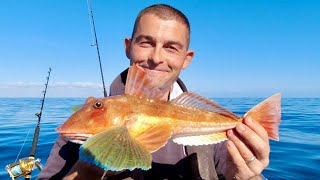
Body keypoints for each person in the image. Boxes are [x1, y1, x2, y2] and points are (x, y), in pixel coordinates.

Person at [38, 4, 270, 180]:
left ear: (186, 59)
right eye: (146, 43)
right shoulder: (79, 132)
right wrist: (87, 168)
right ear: (128, 47)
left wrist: (246, 176)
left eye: (171, 47)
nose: (156, 58)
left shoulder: (220, 137)